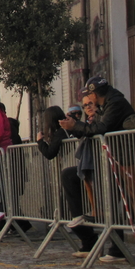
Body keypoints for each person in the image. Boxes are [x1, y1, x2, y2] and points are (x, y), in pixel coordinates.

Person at [59, 76, 135, 262]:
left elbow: (101, 128)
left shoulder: (114, 103)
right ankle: (85, 228)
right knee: (72, 176)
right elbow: (92, 129)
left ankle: (118, 247)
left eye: (88, 101)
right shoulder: (105, 105)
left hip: (122, 159)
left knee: (115, 202)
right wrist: (75, 127)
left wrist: (77, 125)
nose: (88, 107)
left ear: (94, 94)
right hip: (104, 161)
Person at [36, 105, 97, 257]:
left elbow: (50, 153)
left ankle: (89, 241)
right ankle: (87, 242)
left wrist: (40, 142)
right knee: (77, 209)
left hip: (74, 171)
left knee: (75, 212)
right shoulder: (69, 129)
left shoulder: (60, 133)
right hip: (79, 169)